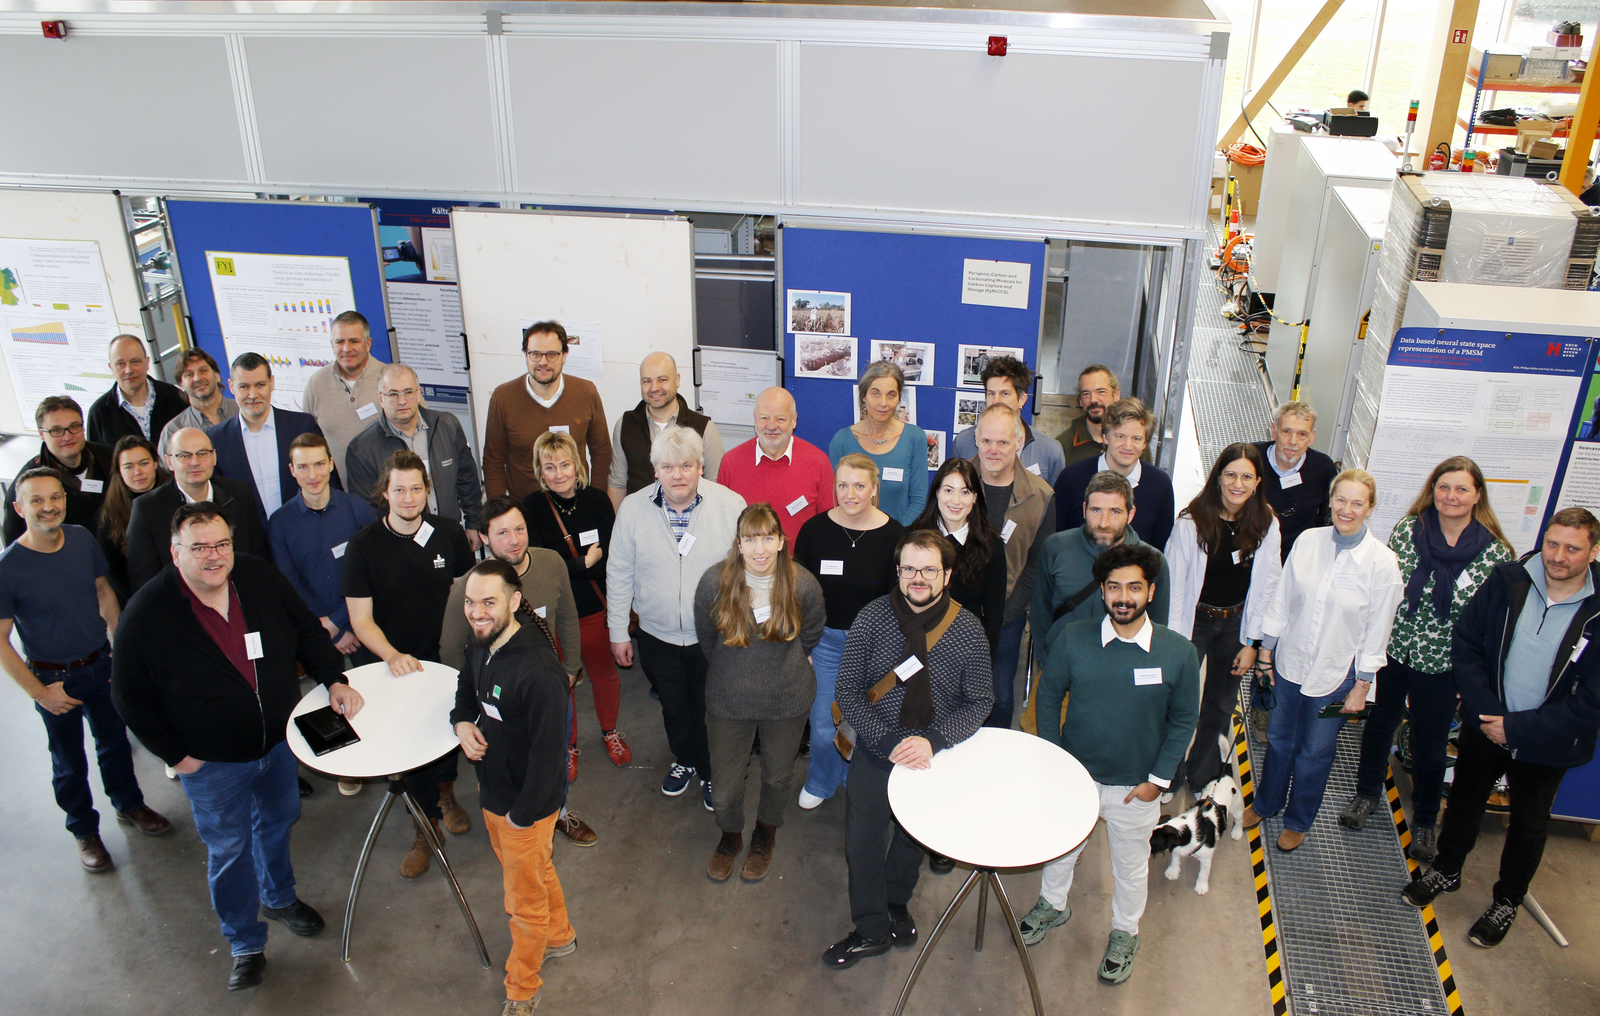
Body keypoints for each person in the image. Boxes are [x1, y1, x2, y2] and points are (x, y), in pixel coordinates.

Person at [112, 501, 362, 991]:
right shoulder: (148, 611)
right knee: (228, 849)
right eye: (199, 547)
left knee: (277, 821)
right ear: (175, 551)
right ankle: (245, 940)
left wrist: (334, 678)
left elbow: (306, 629)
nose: (213, 556)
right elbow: (128, 697)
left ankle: (279, 896)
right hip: (211, 763)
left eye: (221, 544)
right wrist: (176, 756)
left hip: (276, 745)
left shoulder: (257, 577)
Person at [1401, 509, 1600, 949]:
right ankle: (1447, 869)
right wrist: (1490, 715)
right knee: (1466, 801)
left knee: (1529, 824)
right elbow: (1468, 642)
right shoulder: (1509, 579)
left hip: (1547, 742)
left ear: (1593, 551)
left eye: (1572, 548)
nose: (1558, 556)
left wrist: (1519, 729)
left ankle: (1507, 899)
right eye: (1553, 543)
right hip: (1488, 724)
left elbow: (1591, 702)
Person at [1020, 543, 1200, 984]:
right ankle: (1053, 904)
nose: (1123, 597)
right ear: (1102, 592)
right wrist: (1057, 759)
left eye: (1134, 587)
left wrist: (1156, 782)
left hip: (1135, 788)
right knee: (1061, 849)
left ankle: (1125, 932)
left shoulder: (1178, 652)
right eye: (1114, 587)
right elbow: (1047, 695)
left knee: (1131, 866)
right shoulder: (1074, 639)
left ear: (1151, 592)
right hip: (1076, 778)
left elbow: (1184, 719)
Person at [823, 530, 992, 969]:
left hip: (931, 755)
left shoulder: (968, 629)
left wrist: (932, 741)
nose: (918, 578)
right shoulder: (872, 618)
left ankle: (897, 901)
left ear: (947, 574)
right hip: (878, 749)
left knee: (913, 837)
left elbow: (980, 700)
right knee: (861, 842)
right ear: (897, 572)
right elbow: (849, 690)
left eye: (929, 569)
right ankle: (871, 928)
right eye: (910, 569)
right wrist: (885, 740)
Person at [1340, 457, 1512, 861]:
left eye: (1461, 489)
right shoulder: (1408, 531)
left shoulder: (1494, 553)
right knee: (1380, 727)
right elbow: (1387, 593)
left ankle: (1424, 822)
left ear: (1477, 495)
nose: (1451, 496)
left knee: (1430, 746)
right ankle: (1366, 795)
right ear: (1432, 490)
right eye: (1443, 487)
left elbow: (1489, 622)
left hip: (1445, 665)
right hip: (1397, 651)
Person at [0, 467, 170, 873]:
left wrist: (118, 651)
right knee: (68, 761)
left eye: (55, 498)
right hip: (53, 680)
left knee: (114, 744)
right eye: (36, 500)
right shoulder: (8, 568)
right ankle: (84, 831)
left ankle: (129, 805)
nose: (48, 507)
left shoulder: (79, 537)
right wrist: (40, 693)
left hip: (100, 665)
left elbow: (102, 592)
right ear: (18, 507)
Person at [1242, 469, 1403, 852]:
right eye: (1340, 500)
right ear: (1330, 500)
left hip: (1340, 677)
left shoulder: (1383, 564)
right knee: (1279, 739)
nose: (1346, 509)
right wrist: (1266, 652)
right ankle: (1267, 803)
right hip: (1289, 664)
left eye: (1357, 502)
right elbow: (1282, 600)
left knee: (1315, 751)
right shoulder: (1308, 541)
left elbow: (1378, 632)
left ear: (1370, 508)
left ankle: (1299, 820)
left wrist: (1362, 686)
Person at [341, 450, 476, 877]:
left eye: (416, 488)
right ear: (385, 493)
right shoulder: (363, 547)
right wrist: (393, 655)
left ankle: (446, 794)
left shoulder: (449, 533)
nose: (409, 497)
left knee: (448, 729)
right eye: (399, 489)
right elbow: (360, 619)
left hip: (446, 659)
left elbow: (465, 597)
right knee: (411, 744)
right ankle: (425, 825)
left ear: (427, 490)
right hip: (394, 665)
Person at [451, 559, 575, 1016]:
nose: (477, 612)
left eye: (489, 602)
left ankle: (522, 987)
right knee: (536, 873)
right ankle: (560, 936)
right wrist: (462, 722)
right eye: (470, 602)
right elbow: (466, 686)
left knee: (521, 902)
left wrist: (521, 817)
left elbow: (549, 758)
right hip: (494, 791)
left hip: (527, 805)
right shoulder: (481, 641)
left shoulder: (540, 673)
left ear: (515, 603)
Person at [440, 496, 599, 848]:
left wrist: (570, 668)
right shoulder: (469, 586)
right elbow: (452, 654)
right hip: (497, 700)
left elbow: (569, 618)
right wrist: (470, 706)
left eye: (519, 529)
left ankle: (558, 811)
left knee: (552, 756)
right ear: (483, 537)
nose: (514, 540)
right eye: (502, 533)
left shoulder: (551, 562)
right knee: (505, 762)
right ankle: (505, 815)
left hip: (547, 686)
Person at [607, 427, 746, 809]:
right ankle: (685, 760)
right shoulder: (634, 509)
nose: (678, 475)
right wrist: (618, 631)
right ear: (655, 471)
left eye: (686, 465)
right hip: (656, 635)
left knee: (711, 710)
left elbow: (748, 571)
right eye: (668, 466)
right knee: (674, 707)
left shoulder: (731, 505)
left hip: (714, 636)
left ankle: (712, 771)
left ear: (701, 466)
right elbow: (618, 571)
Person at [696, 503, 825, 882]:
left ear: (782, 541)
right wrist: (730, 669)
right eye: (751, 539)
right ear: (738, 544)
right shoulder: (714, 582)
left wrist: (789, 664)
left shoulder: (802, 584)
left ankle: (765, 834)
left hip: (787, 698)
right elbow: (708, 640)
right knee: (724, 787)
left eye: (768, 538)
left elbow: (813, 630)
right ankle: (731, 835)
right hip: (728, 699)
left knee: (778, 777)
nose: (760, 549)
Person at [1165, 443, 1283, 796]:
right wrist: (1175, 640)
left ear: (1258, 481)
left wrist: (1252, 643)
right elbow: (1175, 584)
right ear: (1218, 478)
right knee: (1178, 702)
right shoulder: (1191, 521)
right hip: (1195, 620)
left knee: (1219, 705)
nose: (1238, 483)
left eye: (1247, 476)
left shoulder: (1266, 523)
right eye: (1231, 474)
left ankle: (1201, 777)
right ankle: (1168, 777)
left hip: (1235, 623)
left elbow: (1267, 586)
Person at [792, 455, 905, 809]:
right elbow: (798, 592)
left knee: (867, 722)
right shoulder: (814, 531)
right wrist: (804, 644)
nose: (850, 494)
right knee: (824, 722)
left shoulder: (895, 536)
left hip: (874, 645)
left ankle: (854, 780)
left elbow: (899, 602)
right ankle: (821, 781)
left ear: (874, 489)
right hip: (825, 642)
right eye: (843, 485)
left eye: (859, 486)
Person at [523, 432, 630, 772]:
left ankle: (610, 731)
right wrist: (584, 564)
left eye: (565, 464)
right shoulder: (531, 508)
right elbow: (540, 565)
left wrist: (571, 568)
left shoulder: (598, 502)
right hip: (551, 615)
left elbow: (611, 557)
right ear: (540, 469)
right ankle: (568, 745)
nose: (558, 474)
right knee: (561, 682)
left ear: (577, 465)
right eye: (550, 466)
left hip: (593, 608)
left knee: (604, 675)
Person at [970, 403, 1057, 728]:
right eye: (987, 441)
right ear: (976, 439)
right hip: (953, 613)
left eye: (1003, 442)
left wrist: (1004, 614)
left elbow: (1037, 563)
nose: (993, 450)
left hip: (1006, 620)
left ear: (1019, 443)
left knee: (1000, 696)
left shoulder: (1041, 496)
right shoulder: (954, 483)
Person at [1032, 471, 1171, 667]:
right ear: (1084, 510)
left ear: (1131, 514)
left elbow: (1157, 627)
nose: (1104, 522)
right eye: (1096, 510)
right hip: (1063, 668)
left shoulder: (1153, 561)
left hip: (1122, 672)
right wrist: (1047, 661)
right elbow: (1040, 612)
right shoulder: (1055, 547)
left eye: (1115, 511)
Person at [345, 362, 483, 548]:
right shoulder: (361, 449)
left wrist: (473, 523)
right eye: (393, 394)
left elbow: (467, 480)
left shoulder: (447, 426)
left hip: (450, 536)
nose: (402, 401)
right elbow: (368, 511)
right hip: (400, 546)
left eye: (408, 392)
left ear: (418, 394)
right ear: (380, 398)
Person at [126, 428, 269, 592]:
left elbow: (259, 555)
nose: (195, 462)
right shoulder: (147, 508)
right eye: (184, 456)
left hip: (240, 596)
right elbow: (144, 580)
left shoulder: (239, 492)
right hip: (179, 606)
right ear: (169, 462)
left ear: (214, 457)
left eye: (202, 453)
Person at [484, 320, 611, 502]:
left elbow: (602, 453)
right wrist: (499, 513)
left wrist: (595, 500)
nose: (543, 362)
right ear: (525, 355)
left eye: (551, 354)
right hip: (525, 511)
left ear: (564, 355)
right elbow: (493, 462)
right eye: (535, 354)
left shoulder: (586, 393)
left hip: (576, 504)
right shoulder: (503, 398)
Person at [208, 352, 329, 524]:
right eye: (244, 387)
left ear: (271, 383)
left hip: (304, 532)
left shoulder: (302, 426)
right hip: (250, 542)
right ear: (231, 386)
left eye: (260, 385)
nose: (253, 395)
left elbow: (328, 482)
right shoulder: (216, 439)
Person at [909, 459, 1005, 655]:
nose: (956, 501)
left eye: (965, 492)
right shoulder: (911, 539)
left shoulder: (991, 545)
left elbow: (994, 616)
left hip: (965, 653)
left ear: (975, 497)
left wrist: (982, 664)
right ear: (936, 492)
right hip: (915, 650)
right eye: (948, 490)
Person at [716, 386, 835, 543]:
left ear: (794, 420)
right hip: (747, 564)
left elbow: (829, 525)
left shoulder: (819, 462)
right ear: (755, 419)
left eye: (780, 419)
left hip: (800, 565)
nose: (771, 426)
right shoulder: (731, 462)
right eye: (764, 418)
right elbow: (721, 524)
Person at [606, 351, 723, 508]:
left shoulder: (704, 428)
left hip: (691, 526)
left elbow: (716, 486)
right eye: (647, 381)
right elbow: (617, 484)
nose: (654, 388)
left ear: (677, 380)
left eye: (662, 380)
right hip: (640, 525)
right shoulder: (625, 425)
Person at [1056, 397, 1174, 551]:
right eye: (1120, 436)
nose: (1128, 446)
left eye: (1137, 439)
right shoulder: (1071, 478)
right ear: (1105, 437)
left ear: (1145, 444)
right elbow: (1058, 535)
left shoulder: (1160, 485)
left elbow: (1159, 546)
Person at [827, 361, 929, 525]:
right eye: (875, 393)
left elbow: (919, 500)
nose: (883, 403)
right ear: (863, 396)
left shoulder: (914, 438)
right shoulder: (842, 441)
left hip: (898, 539)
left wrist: (894, 535)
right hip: (853, 537)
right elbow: (836, 499)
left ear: (899, 398)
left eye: (891, 394)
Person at [3, 395, 114, 543]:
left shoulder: (110, 458)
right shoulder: (27, 484)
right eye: (56, 430)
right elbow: (15, 540)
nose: (67, 437)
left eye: (74, 427)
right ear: (42, 434)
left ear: (83, 427)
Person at [948, 356, 1065, 484]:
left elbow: (1054, 500)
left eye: (1005, 394)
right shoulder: (963, 442)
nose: (996, 401)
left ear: (1022, 399)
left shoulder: (1049, 450)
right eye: (991, 393)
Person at [301, 310, 388, 482]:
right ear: (332, 345)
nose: (346, 349)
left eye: (354, 341)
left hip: (389, 492)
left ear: (368, 344)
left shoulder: (391, 378)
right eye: (339, 342)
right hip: (337, 493)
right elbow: (308, 442)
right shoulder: (315, 384)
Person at [1254, 401, 1338, 563]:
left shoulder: (1323, 469)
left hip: (1296, 559)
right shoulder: (1250, 459)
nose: (1293, 441)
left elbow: (1326, 520)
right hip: (1250, 554)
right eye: (1286, 431)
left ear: (1312, 437)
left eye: (1302, 434)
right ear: (1274, 430)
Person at [96, 436, 172, 606]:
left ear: (155, 463)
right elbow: (112, 570)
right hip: (140, 598)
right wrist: (138, 600)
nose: (137, 472)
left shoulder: (176, 493)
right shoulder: (110, 514)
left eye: (144, 463)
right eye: (129, 467)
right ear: (119, 470)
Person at [86, 334, 187, 448]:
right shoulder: (99, 413)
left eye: (135, 362)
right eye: (120, 364)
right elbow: (97, 461)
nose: (128, 370)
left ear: (147, 363)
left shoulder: (175, 397)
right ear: (111, 368)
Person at [1057, 364, 1143, 467]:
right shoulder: (1064, 444)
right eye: (1086, 394)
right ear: (1080, 401)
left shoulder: (1134, 441)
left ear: (1116, 395)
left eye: (1101, 392)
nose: (1093, 399)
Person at [158, 349, 238, 454]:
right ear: (181, 385)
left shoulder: (243, 412)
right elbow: (165, 469)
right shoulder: (173, 430)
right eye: (189, 374)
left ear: (217, 375)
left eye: (203, 371)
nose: (197, 378)